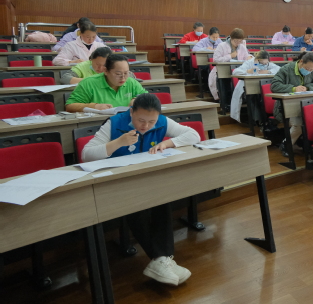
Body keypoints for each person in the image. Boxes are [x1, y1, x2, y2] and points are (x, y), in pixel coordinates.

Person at [82, 94, 199, 286]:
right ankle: (163, 259)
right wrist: (118, 142)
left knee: (162, 198)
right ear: (131, 112)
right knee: (136, 201)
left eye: (151, 122)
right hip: (118, 181)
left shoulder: (161, 121)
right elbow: (86, 154)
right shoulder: (115, 123)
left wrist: (167, 143)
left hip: (146, 178)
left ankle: (162, 259)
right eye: (140, 120)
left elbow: (193, 134)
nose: (145, 126)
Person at [271, 52, 313, 157]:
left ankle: (306, 143)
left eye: (311, 70)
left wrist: (307, 88)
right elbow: (274, 86)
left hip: (305, 106)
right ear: (301, 62)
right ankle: (286, 144)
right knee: (299, 123)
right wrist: (293, 89)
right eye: (307, 68)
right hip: (286, 107)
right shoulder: (286, 69)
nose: (309, 71)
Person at [65, 54, 148, 112]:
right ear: (105, 71)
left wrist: (136, 100)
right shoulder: (89, 83)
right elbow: (70, 106)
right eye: (118, 74)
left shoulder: (131, 82)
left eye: (126, 73)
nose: (123, 77)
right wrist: (95, 106)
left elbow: (146, 97)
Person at [230, 50, 280, 123]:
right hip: (247, 87)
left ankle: (263, 121)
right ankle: (258, 120)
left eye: (265, 63)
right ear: (258, 59)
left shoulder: (268, 64)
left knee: (263, 96)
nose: (264, 65)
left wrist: (268, 71)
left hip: (260, 87)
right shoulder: (249, 63)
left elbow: (279, 69)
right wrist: (247, 71)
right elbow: (235, 72)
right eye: (262, 63)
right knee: (256, 97)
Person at [208, 28, 252, 100]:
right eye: (236, 41)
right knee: (226, 82)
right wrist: (230, 56)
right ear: (231, 38)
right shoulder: (222, 45)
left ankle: (242, 99)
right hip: (223, 71)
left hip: (238, 72)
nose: (238, 43)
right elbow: (216, 60)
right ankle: (226, 101)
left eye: (240, 41)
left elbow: (246, 57)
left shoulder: (242, 47)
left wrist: (249, 58)